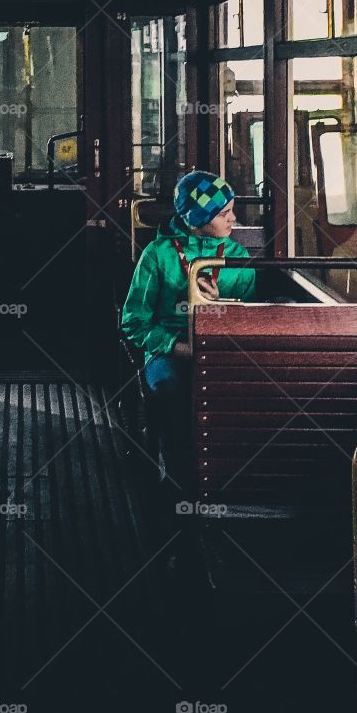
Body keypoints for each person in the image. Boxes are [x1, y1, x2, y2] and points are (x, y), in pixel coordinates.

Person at [121, 171, 256, 558]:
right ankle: (179, 486)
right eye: (225, 213)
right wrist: (177, 346)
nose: (233, 220)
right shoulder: (159, 256)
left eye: (233, 211)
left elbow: (249, 319)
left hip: (224, 350)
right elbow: (133, 322)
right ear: (198, 218)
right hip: (169, 348)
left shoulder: (241, 259)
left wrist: (218, 310)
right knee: (172, 391)